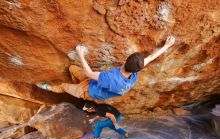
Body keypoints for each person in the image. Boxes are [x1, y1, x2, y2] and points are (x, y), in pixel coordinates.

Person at [37, 36, 175, 101]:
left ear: (125, 60)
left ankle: (48, 87)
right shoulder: (134, 71)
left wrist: (80, 54)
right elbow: (151, 58)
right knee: (72, 68)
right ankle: (77, 83)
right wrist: (166, 46)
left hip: (89, 91)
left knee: (64, 86)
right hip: (96, 84)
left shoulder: (110, 78)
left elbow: (90, 73)